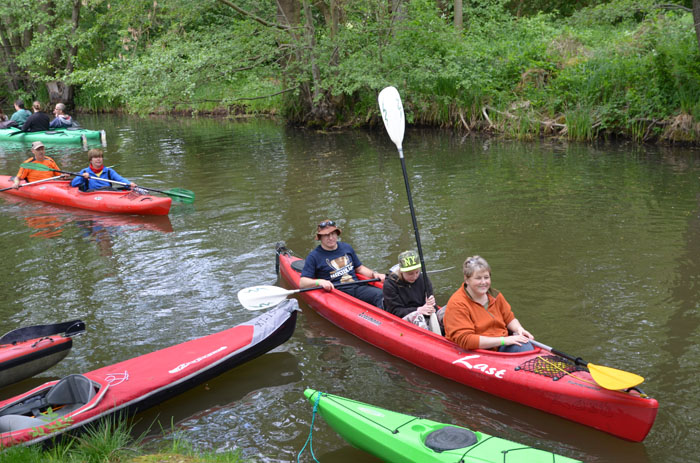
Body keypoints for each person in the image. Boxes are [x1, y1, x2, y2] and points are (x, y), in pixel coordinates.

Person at [444, 255, 534, 352]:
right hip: (477, 349)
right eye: (478, 278)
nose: (483, 282)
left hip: (500, 344)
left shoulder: (495, 295)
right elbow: (466, 340)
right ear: (466, 279)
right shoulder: (457, 303)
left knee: (525, 346)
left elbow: (509, 318)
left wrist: (519, 329)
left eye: (486, 277)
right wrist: (504, 340)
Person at [300, 220, 386, 309]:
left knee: (381, 294)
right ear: (320, 237)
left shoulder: (346, 247)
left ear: (337, 234)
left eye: (333, 234)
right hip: (336, 294)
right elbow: (303, 283)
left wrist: (374, 274)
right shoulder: (314, 256)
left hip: (356, 287)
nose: (330, 238)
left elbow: (359, 268)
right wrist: (319, 282)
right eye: (326, 235)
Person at [383, 250, 443, 331]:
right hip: (404, 318)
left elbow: (432, 305)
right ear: (401, 271)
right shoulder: (390, 285)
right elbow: (394, 311)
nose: (414, 276)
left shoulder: (423, 279)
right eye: (410, 274)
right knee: (417, 316)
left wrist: (431, 304)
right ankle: (427, 338)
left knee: (447, 311)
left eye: (417, 272)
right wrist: (418, 310)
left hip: (424, 313)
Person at [70, 148, 136, 192]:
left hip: (107, 193)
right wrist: (82, 177)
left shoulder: (109, 171)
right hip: (92, 194)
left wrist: (129, 184)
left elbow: (120, 180)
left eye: (100, 157)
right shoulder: (84, 171)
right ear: (90, 160)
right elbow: (73, 184)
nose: (98, 159)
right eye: (95, 157)